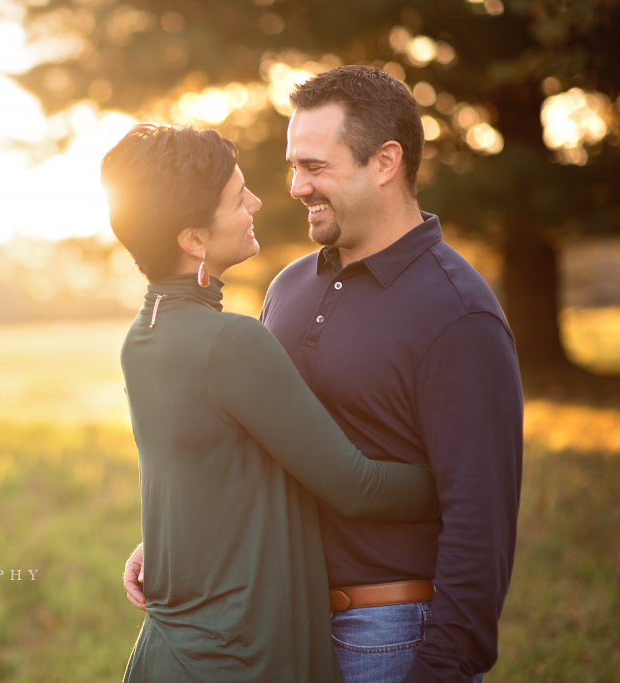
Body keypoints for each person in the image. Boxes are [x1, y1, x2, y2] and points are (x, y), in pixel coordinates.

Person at [123, 66, 524, 683]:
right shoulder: (287, 288)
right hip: (283, 633)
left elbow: (481, 522)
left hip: (389, 639)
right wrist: (184, 537)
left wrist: (441, 668)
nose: (294, 186)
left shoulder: (457, 314)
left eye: (314, 167)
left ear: (385, 162)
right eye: (292, 165)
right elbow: (259, 442)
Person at [104, 122, 440, 683]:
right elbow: (354, 485)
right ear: (194, 239)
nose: (258, 201)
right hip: (234, 658)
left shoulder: (142, 338)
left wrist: (162, 538)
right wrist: (463, 482)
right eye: (239, 198)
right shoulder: (230, 342)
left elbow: (201, 470)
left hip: (168, 656)